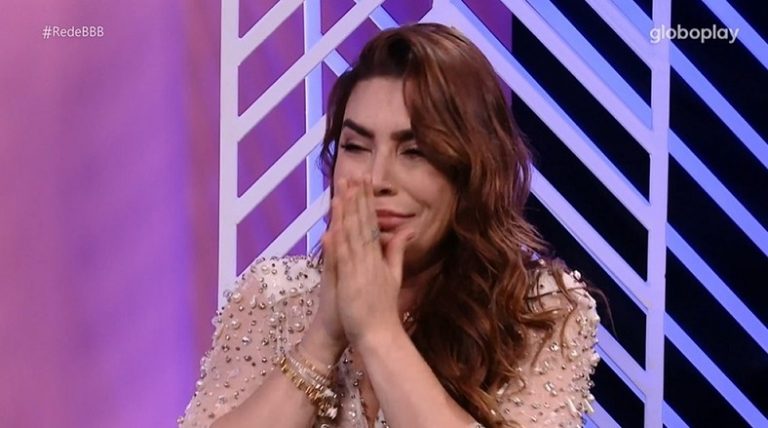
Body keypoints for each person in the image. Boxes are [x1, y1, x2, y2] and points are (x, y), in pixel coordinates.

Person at [178, 23, 601, 428]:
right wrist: (323, 335)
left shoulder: (540, 311)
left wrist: (378, 331)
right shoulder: (273, 297)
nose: (377, 178)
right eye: (356, 147)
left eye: (414, 151)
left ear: (472, 170)